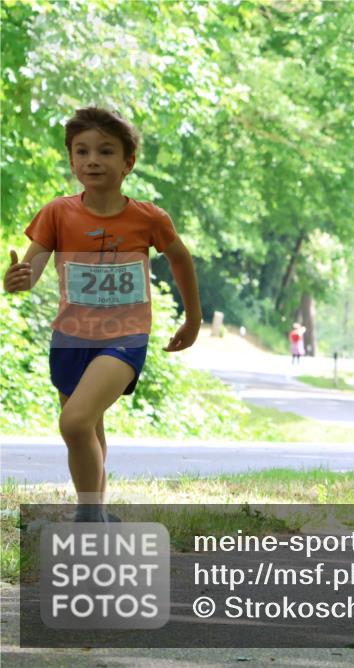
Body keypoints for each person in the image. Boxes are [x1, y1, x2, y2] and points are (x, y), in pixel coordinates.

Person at [3, 107, 200, 522]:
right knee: (89, 430)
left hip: (124, 337)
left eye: (106, 151)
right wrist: (19, 278)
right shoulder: (57, 212)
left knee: (73, 422)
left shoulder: (148, 217)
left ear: (128, 162)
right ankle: (99, 510)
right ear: (72, 160)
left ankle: (88, 516)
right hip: (70, 337)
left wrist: (193, 318)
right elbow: (35, 263)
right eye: (83, 151)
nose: (93, 160)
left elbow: (181, 260)